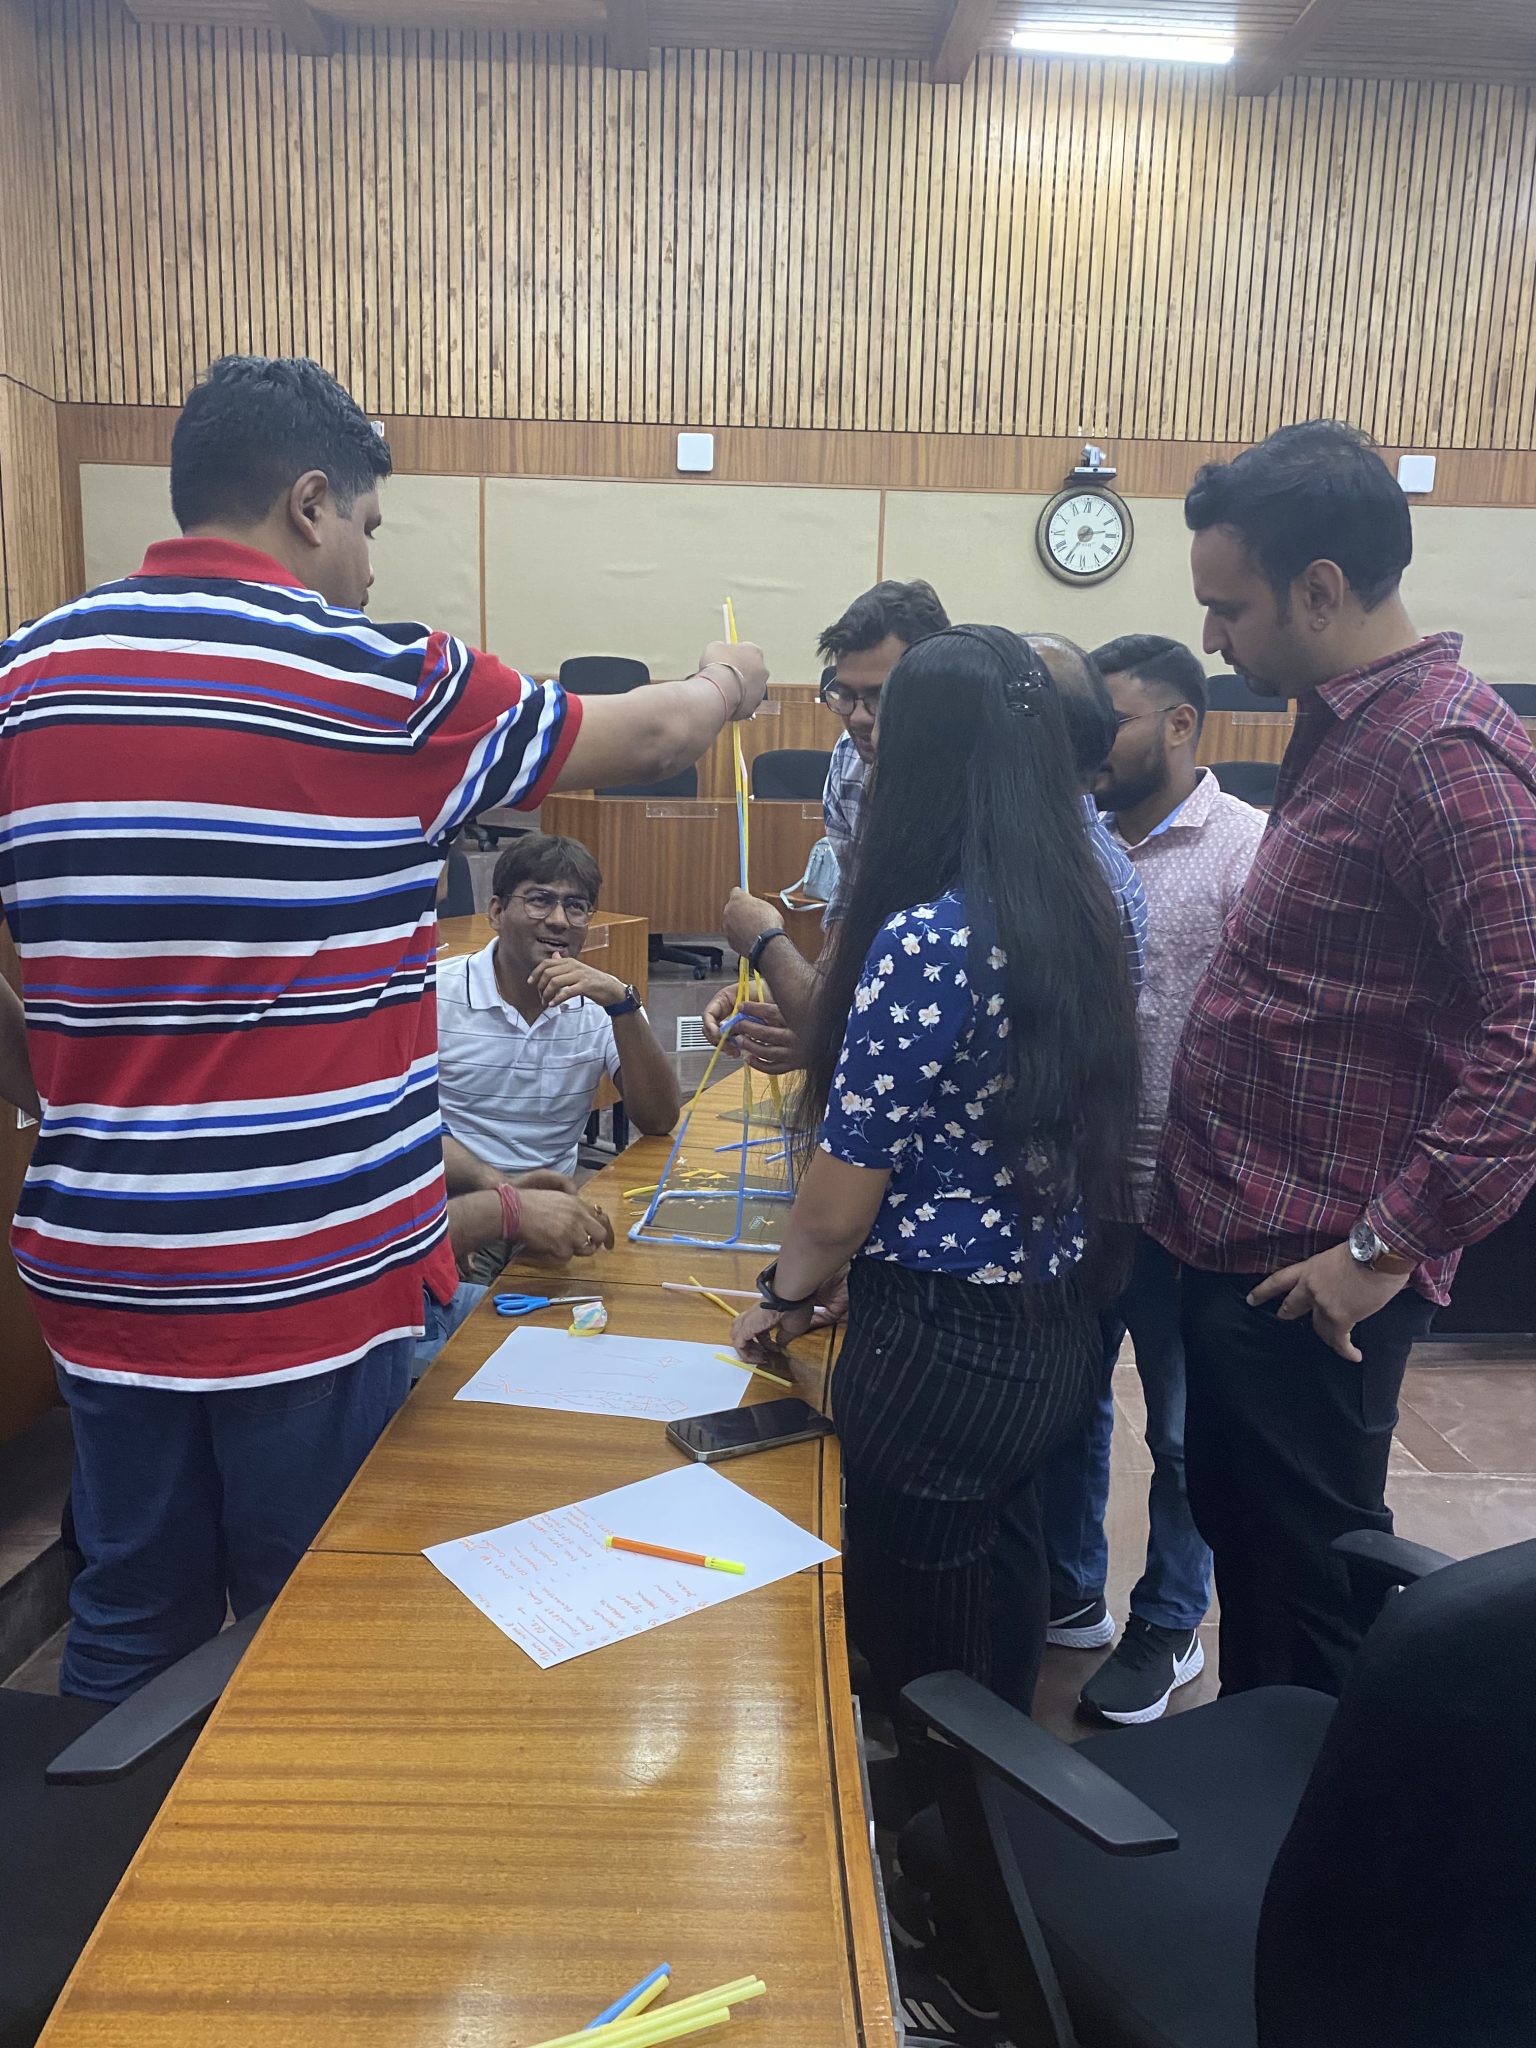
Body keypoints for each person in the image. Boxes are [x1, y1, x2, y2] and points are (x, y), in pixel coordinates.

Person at [0, 353, 767, 1701]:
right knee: (311, 1622)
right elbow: (647, 737)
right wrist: (724, 676)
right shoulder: (376, 676)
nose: (366, 561)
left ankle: (121, 1891)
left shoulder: (29, 672)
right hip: (305, 1277)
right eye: (366, 526)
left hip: (105, 1263)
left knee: (129, 1613)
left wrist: (59, 1083)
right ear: (310, 503)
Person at [1151, 420, 1536, 1696]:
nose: (1212, 640)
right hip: (1254, 1242)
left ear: (1322, 587)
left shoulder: (1444, 754)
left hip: (1321, 1269)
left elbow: (1527, 1036)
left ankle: (1308, 1868)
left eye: (1230, 606)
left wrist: (1382, 1248)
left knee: (1311, 1590)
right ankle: (1258, 1799)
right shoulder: (1346, 722)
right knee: (1258, 1556)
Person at [730, 625, 1139, 1738]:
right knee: (999, 1583)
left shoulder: (927, 936)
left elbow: (843, 1187)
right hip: (1049, 1324)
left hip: (937, 1359)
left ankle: (934, 1862)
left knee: (913, 1650)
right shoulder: (1087, 905)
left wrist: (781, 1289)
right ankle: (993, 1807)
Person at [1040, 634, 1265, 1725]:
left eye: (1112, 720)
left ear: (1181, 724)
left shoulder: (1245, 851)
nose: (1090, 741)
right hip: (1076, 1191)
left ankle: (1171, 1619)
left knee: (1179, 1432)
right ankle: (1070, 1586)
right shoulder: (1070, 846)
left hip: (1190, 1204)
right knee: (1065, 1406)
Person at [701, 579, 951, 1071]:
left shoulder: (977, 778)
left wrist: (777, 956)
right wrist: (808, 996)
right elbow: (853, 902)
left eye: (879, 698)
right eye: (844, 695)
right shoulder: (850, 762)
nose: (858, 719)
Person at [438, 832, 679, 1179]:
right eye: (540, 900)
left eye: (576, 906)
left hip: (554, 1211)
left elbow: (659, 1120)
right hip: (453, 1207)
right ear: (496, 912)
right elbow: (396, 1123)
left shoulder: (607, 1002)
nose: (559, 920)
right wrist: (505, 1197)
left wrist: (622, 1004)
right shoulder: (434, 992)